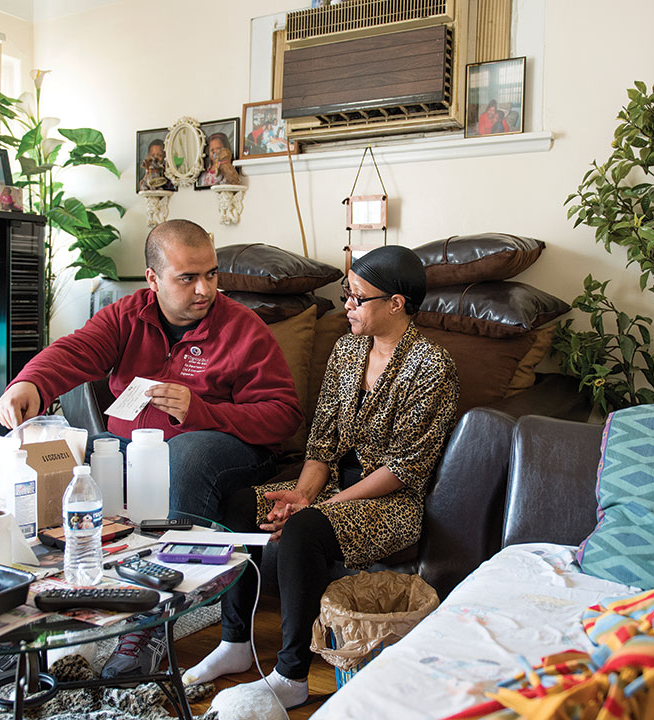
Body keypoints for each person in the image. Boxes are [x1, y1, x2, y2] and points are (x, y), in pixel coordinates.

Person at [0, 220, 302, 696]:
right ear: (152, 280)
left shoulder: (242, 328)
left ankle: (146, 631)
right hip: (134, 449)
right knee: (73, 462)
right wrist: (29, 383)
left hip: (223, 448)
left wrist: (203, 411)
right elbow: (74, 351)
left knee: (184, 456)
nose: (205, 289)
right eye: (188, 278)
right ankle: (15, 640)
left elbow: (283, 415)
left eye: (211, 275)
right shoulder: (127, 316)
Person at [182, 245, 460, 708]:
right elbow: (322, 442)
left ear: (396, 303)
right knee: (236, 504)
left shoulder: (433, 367)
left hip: (390, 501)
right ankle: (234, 642)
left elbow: (403, 468)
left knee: (305, 529)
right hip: (331, 485)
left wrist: (321, 507)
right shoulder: (347, 350)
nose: (347, 306)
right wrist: (302, 493)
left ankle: (291, 675)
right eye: (346, 295)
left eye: (357, 298)